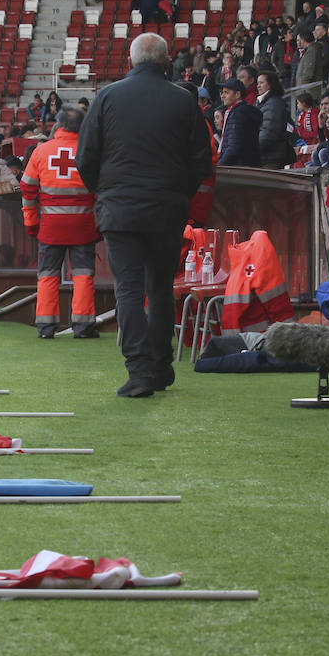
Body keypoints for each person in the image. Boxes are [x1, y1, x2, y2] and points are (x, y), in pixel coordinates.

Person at [75, 32, 212, 397]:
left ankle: (139, 371)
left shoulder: (106, 97)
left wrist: (105, 192)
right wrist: (179, 193)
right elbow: (202, 159)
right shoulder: (184, 102)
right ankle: (162, 365)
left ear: (131, 61)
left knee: (129, 291)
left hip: (119, 211)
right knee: (161, 289)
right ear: (167, 63)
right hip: (167, 209)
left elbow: (85, 157)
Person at [21, 105, 100, 339]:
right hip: (83, 226)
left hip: (50, 227)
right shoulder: (91, 152)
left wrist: (31, 221)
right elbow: (101, 190)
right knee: (84, 275)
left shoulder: (41, 151)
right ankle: (83, 327)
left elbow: (27, 189)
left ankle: (45, 327)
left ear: (60, 124)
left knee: (47, 274)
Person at [216, 77, 262, 167]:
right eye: (222, 92)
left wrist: (220, 165)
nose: (223, 96)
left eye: (227, 92)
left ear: (237, 95)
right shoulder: (235, 112)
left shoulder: (238, 114)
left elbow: (234, 146)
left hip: (239, 168)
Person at [256, 70, 296, 168]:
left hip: (270, 158)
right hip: (265, 156)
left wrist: (252, 149)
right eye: (257, 83)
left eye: (262, 82)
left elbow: (268, 132)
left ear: (270, 84)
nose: (258, 86)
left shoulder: (273, 104)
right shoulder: (263, 102)